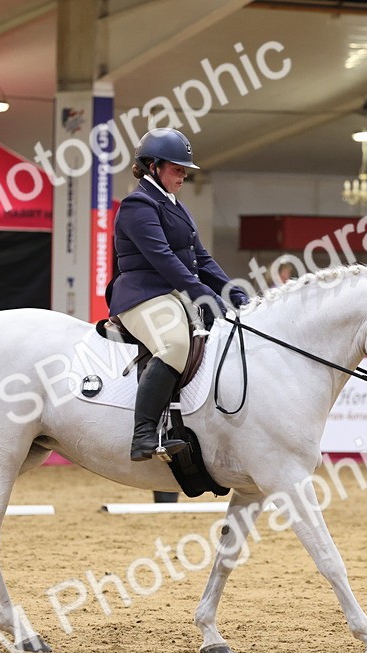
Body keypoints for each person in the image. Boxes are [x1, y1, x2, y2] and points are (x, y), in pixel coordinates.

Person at [110, 128, 249, 461]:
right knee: (174, 344)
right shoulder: (137, 205)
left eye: (185, 169)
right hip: (140, 294)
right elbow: (164, 259)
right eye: (176, 168)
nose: (183, 174)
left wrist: (233, 293)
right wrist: (204, 296)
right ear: (152, 166)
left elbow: (201, 259)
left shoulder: (177, 207)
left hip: (170, 294)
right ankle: (142, 434)